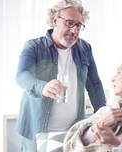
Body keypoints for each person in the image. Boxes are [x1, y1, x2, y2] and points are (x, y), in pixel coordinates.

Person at [16, 0, 106, 151]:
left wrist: (102, 114)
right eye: (69, 23)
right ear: (55, 20)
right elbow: (22, 75)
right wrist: (42, 87)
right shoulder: (34, 47)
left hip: (72, 131)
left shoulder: (85, 49)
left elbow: (95, 84)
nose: (74, 30)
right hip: (36, 132)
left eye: (78, 25)